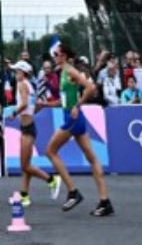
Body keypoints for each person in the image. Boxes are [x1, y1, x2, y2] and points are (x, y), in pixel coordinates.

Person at [45, 40, 112, 217]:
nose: (54, 57)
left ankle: (73, 191)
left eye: (57, 54)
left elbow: (91, 87)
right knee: (92, 158)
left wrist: (78, 106)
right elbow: (65, 101)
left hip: (73, 119)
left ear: (64, 56)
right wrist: (44, 104)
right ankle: (105, 201)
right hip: (73, 117)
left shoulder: (71, 71)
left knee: (50, 151)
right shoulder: (63, 73)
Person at [6, 60, 58, 204]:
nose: (15, 74)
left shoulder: (22, 84)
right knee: (26, 164)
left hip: (27, 129)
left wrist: (13, 113)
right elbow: (34, 108)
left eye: (17, 71)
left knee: (25, 165)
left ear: (23, 73)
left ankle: (51, 179)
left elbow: (23, 104)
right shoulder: (30, 86)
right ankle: (24, 195)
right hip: (28, 127)